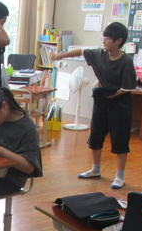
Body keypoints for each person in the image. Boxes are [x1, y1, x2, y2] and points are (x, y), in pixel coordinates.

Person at [55, 22, 137, 190]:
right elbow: (80, 51)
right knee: (95, 135)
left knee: (120, 139)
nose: (104, 42)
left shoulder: (126, 61)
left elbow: (127, 87)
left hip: (120, 104)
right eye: (103, 39)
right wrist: (59, 56)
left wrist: (109, 94)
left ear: (118, 41)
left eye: (107, 39)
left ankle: (120, 176)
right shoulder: (99, 54)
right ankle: (95, 169)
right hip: (101, 102)